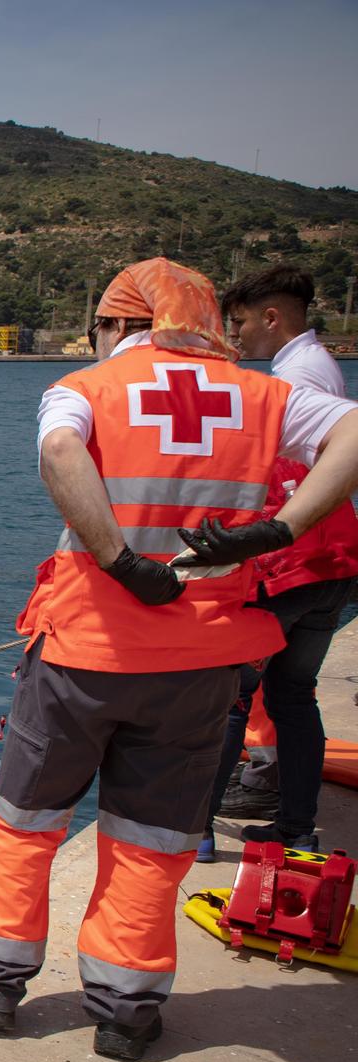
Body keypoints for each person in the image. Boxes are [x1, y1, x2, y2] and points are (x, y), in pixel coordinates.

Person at [0, 257, 358, 1062]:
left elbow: (62, 459)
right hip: (200, 663)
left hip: (84, 650)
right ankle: (128, 1009)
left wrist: (117, 556)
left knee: (25, 819)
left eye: (102, 325)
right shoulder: (268, 395)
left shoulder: (85, 389)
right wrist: (278, 528)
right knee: (153, 835)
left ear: (126, 323)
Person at [195, 266, 358, 858]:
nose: (237, 337)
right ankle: (296, 826)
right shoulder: (316, 369)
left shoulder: (291, 381)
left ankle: (201, 830)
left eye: (240, 323)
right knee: (295, 696)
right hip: (334, 562)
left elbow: (282, 484)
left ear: (272, 317)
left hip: (290, 566)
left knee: (234, 698)